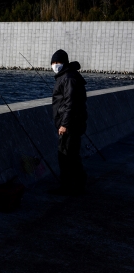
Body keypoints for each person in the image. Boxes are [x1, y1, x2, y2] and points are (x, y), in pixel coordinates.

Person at [49, 49, 88, 196]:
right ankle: (77, 185)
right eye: (53, 62)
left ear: (64, 62)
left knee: (66, 156)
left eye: (57, 62)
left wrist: (64, 124)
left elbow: (70, 103)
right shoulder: (68, 76)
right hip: (73, 123)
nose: (55, 65)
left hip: (70, 125)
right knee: (71, 156)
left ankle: (68, 187)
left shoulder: (68, 78)